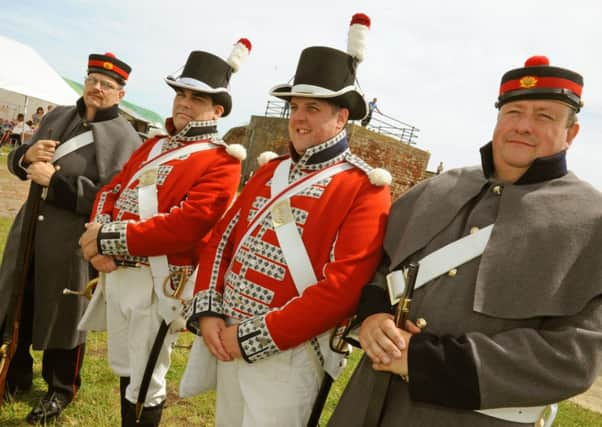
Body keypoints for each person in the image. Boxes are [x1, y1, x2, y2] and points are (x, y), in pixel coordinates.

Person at [328, 55, 602, 427]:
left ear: (571, 133)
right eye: (514, 112)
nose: (523, 126)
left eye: (544, 116)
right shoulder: (438, 188)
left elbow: (572, 359)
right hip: (369, 405)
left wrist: (424, 360)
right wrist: (374, 315)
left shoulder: (592, 221)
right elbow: (380, 266)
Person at [186, 13, 391, 427]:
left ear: (341, 118)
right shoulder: (269, 170)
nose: (298, 117)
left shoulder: (365, 186)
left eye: (312, 108)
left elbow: (341, 289)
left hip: (290, 353)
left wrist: (252, 338)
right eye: (295, 106)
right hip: (226, 332)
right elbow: (222, 242)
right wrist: (208, 312)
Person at [78, 40, 251, 427]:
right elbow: (112, 188)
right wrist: (97, 237)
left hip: (159, 283)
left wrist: (107, 239)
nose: (184, 103)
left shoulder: (222, 160)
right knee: (127, 368)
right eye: (181, 94)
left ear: (217, 109)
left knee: (146, 380)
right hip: (120, 273)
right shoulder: (155, 144)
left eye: (197, 98)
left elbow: (188, 224)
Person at [0, 51, 140, 425]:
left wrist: (57, 182)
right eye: (93, 79)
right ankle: (15, 376)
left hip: (71, 243)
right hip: (29, 231)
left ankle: (61, 389)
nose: (97, 88)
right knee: (19, 303)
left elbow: (114, 198)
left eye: (107, 85)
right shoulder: (57, 116)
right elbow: (18, 162)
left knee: (65, 316)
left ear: (120, 93)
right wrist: (26, 156)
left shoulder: (125, 138)